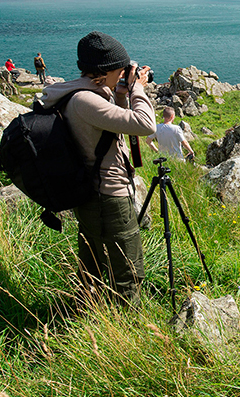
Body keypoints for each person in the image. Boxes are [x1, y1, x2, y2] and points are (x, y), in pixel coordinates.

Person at [37, 31, 156, 307]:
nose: (124, 73)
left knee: (94, 264)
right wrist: (138, 88)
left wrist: (122, 93)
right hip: (108, 198)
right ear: (104, 72)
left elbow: (114, 127)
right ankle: (128, 327)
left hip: (93, 194)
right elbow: (145, 124)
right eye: (121, 68)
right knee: (127, 269)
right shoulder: (85, 101)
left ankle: (91, 311)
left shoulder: (80, 94)